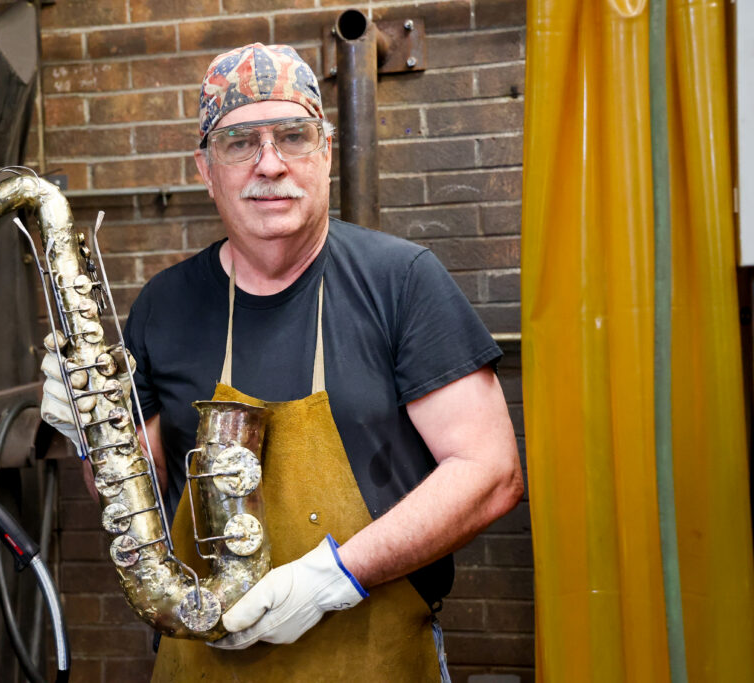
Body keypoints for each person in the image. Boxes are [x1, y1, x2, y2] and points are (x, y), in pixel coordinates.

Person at [43, 43, 523, 682]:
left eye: (293, 137)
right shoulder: (163, 305)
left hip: (370, 655)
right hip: (203, 663)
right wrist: (92, 437)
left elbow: (490, 473)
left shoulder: (401, 280)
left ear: (324, 152)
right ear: (205, 168)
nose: (270, 165)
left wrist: (336, 576)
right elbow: (146, 493)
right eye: (240, 143)